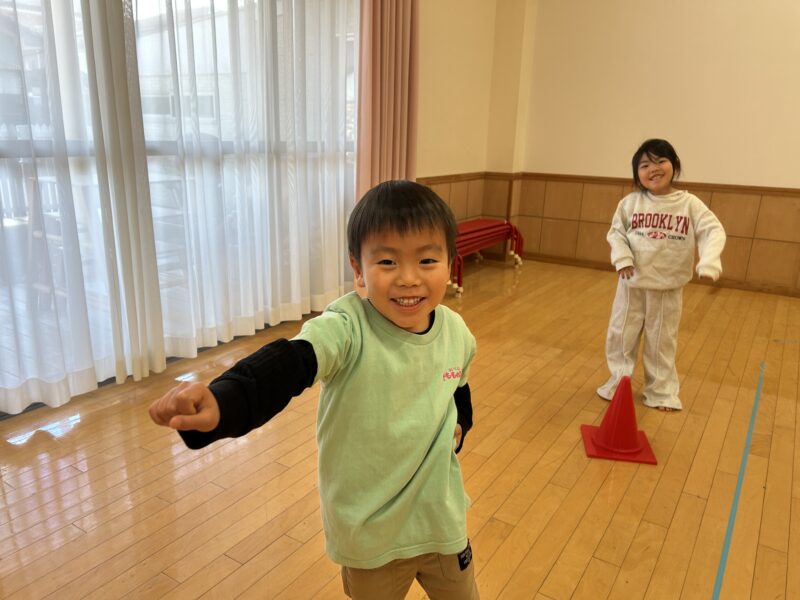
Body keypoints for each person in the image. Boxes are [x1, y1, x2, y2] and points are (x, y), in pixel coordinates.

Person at [148, 179, 480, 599]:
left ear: (450, 261)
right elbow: (293, 361)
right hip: (370, 534)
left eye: (427, 260)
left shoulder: (456, 332)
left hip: (441, 519)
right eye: (387, 262)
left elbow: (458, 387)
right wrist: (226, 400)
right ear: (358, 269)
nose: (409, 278)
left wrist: (461, 425)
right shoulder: (348, 328)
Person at [596, 139, 726, 412]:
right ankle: (618, 383)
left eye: (660, 161)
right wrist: (622, 258)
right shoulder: (630, 203)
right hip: (631, 284)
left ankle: (661, 392)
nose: (653, 169)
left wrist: (709, 260)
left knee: (661, 342)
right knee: (621, 336)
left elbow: (713, 230)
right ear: (637, 174)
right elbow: (616, 233)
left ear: (674, 165)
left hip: (668, 286)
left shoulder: (689, 204)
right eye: (645, 165)